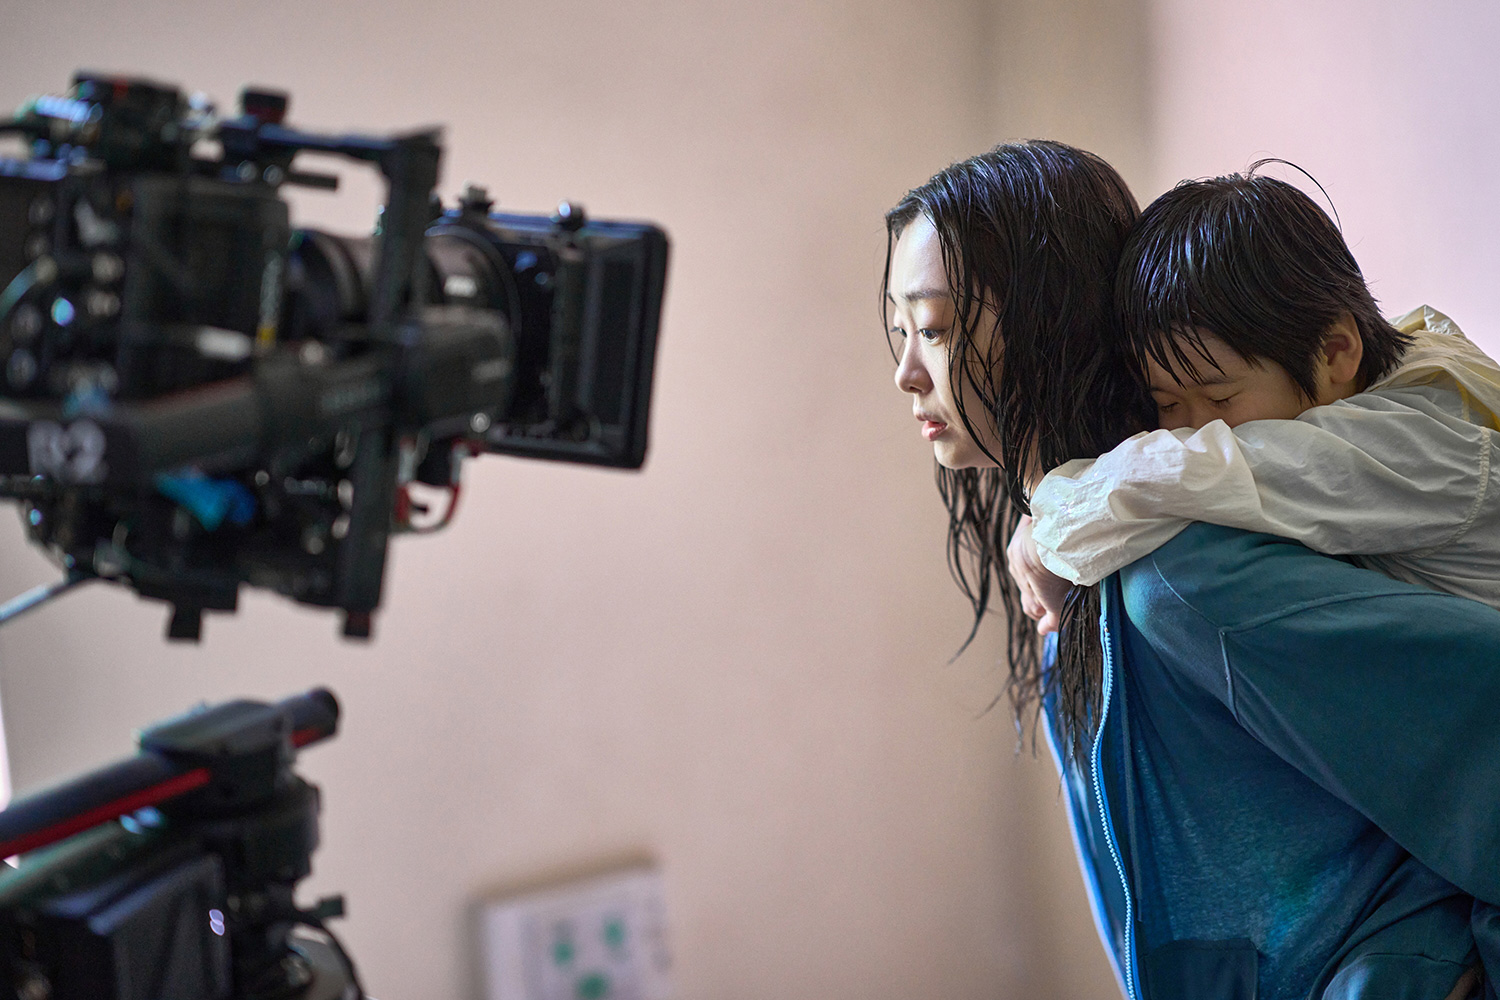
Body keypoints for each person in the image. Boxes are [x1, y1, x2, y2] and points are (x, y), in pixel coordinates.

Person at [888, 145, 1500, 1000]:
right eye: (901, 331)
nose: (907, 372)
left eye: (935, 328)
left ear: (1046, 322)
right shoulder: (1104, 571)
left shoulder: (1181, 575)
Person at [1021, 173, 1500, 616]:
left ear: (1335, 351)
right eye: (1166, 404)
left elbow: (1160, 482)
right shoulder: (1401, 365)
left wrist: (1040, 530)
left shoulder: (1411, 445)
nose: (1191, 429)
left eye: (1220, 399)